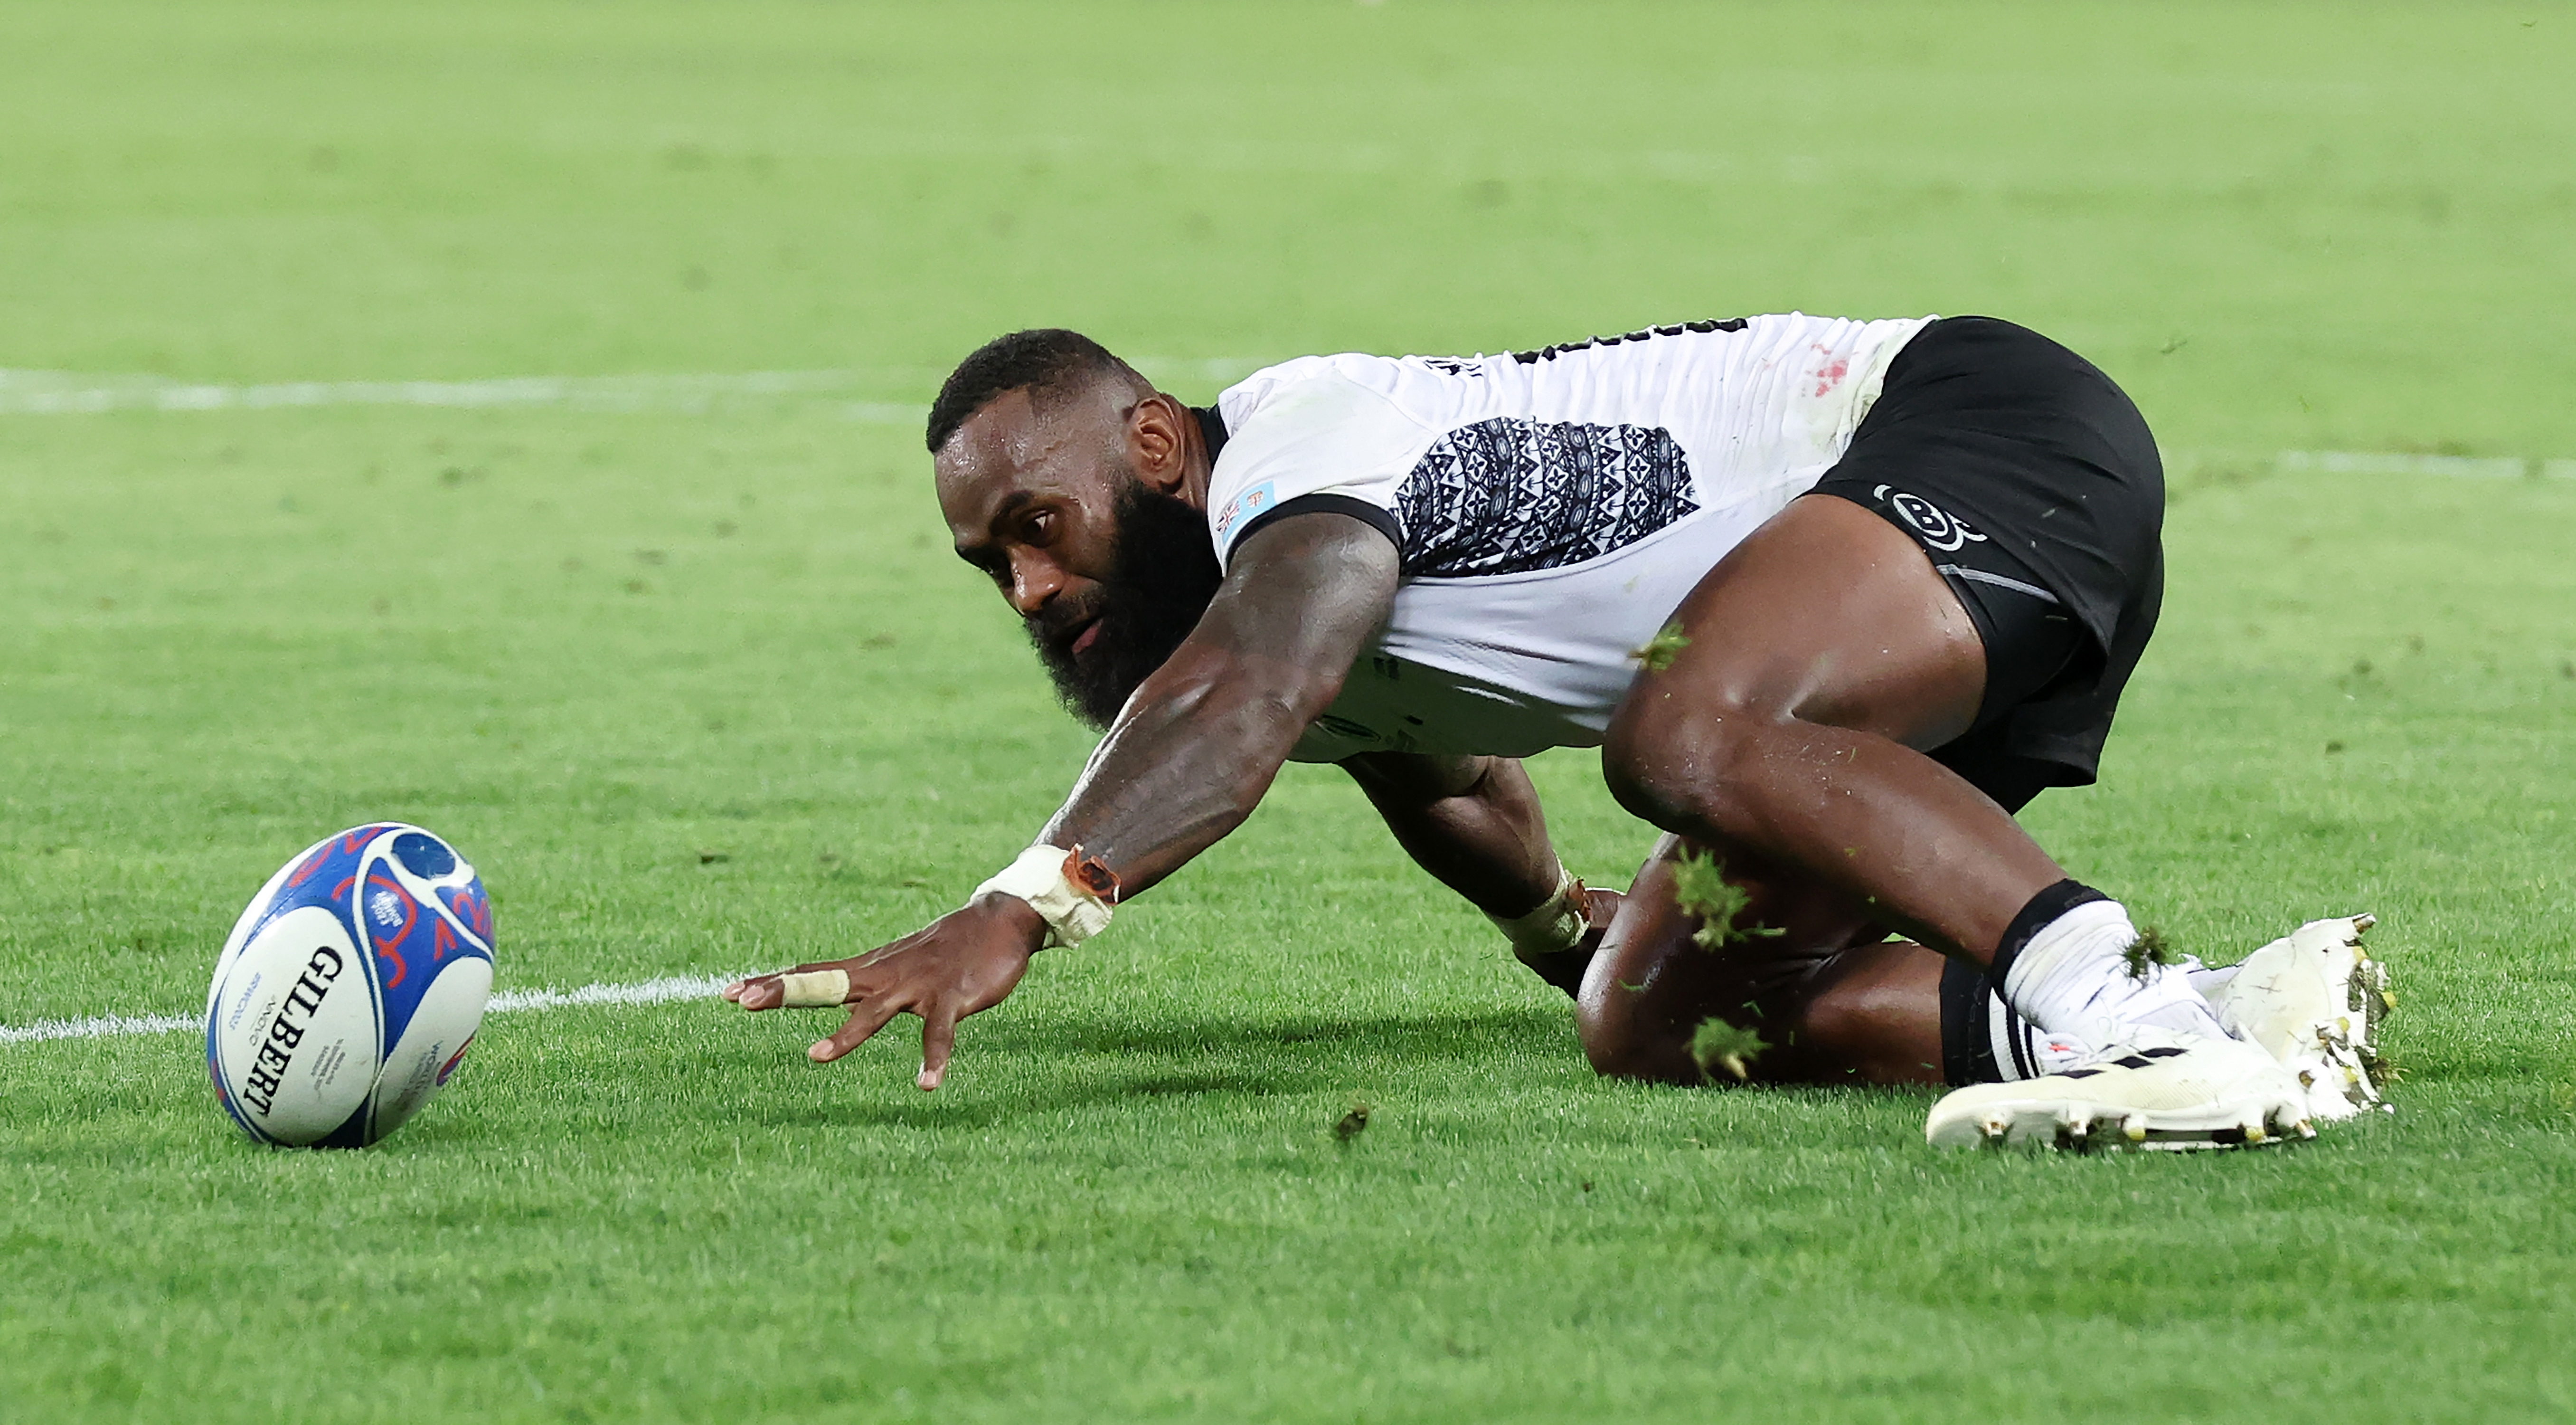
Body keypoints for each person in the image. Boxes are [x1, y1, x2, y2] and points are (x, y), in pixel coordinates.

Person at [725, 313, 2387, 1149]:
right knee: (1656, 1017)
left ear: (1155, 443)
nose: (1026, 586)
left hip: (1973, 433)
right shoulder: (1261, 615)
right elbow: (1437, 766)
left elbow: (1241, 702)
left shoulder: (1300, 453)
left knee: (1678, 731)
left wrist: (1018, 904)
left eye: (1038, 522)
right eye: (986, 563)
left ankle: (2102, 1007)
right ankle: (2222, 1021)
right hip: (1891, 623)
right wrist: (1545, 923)